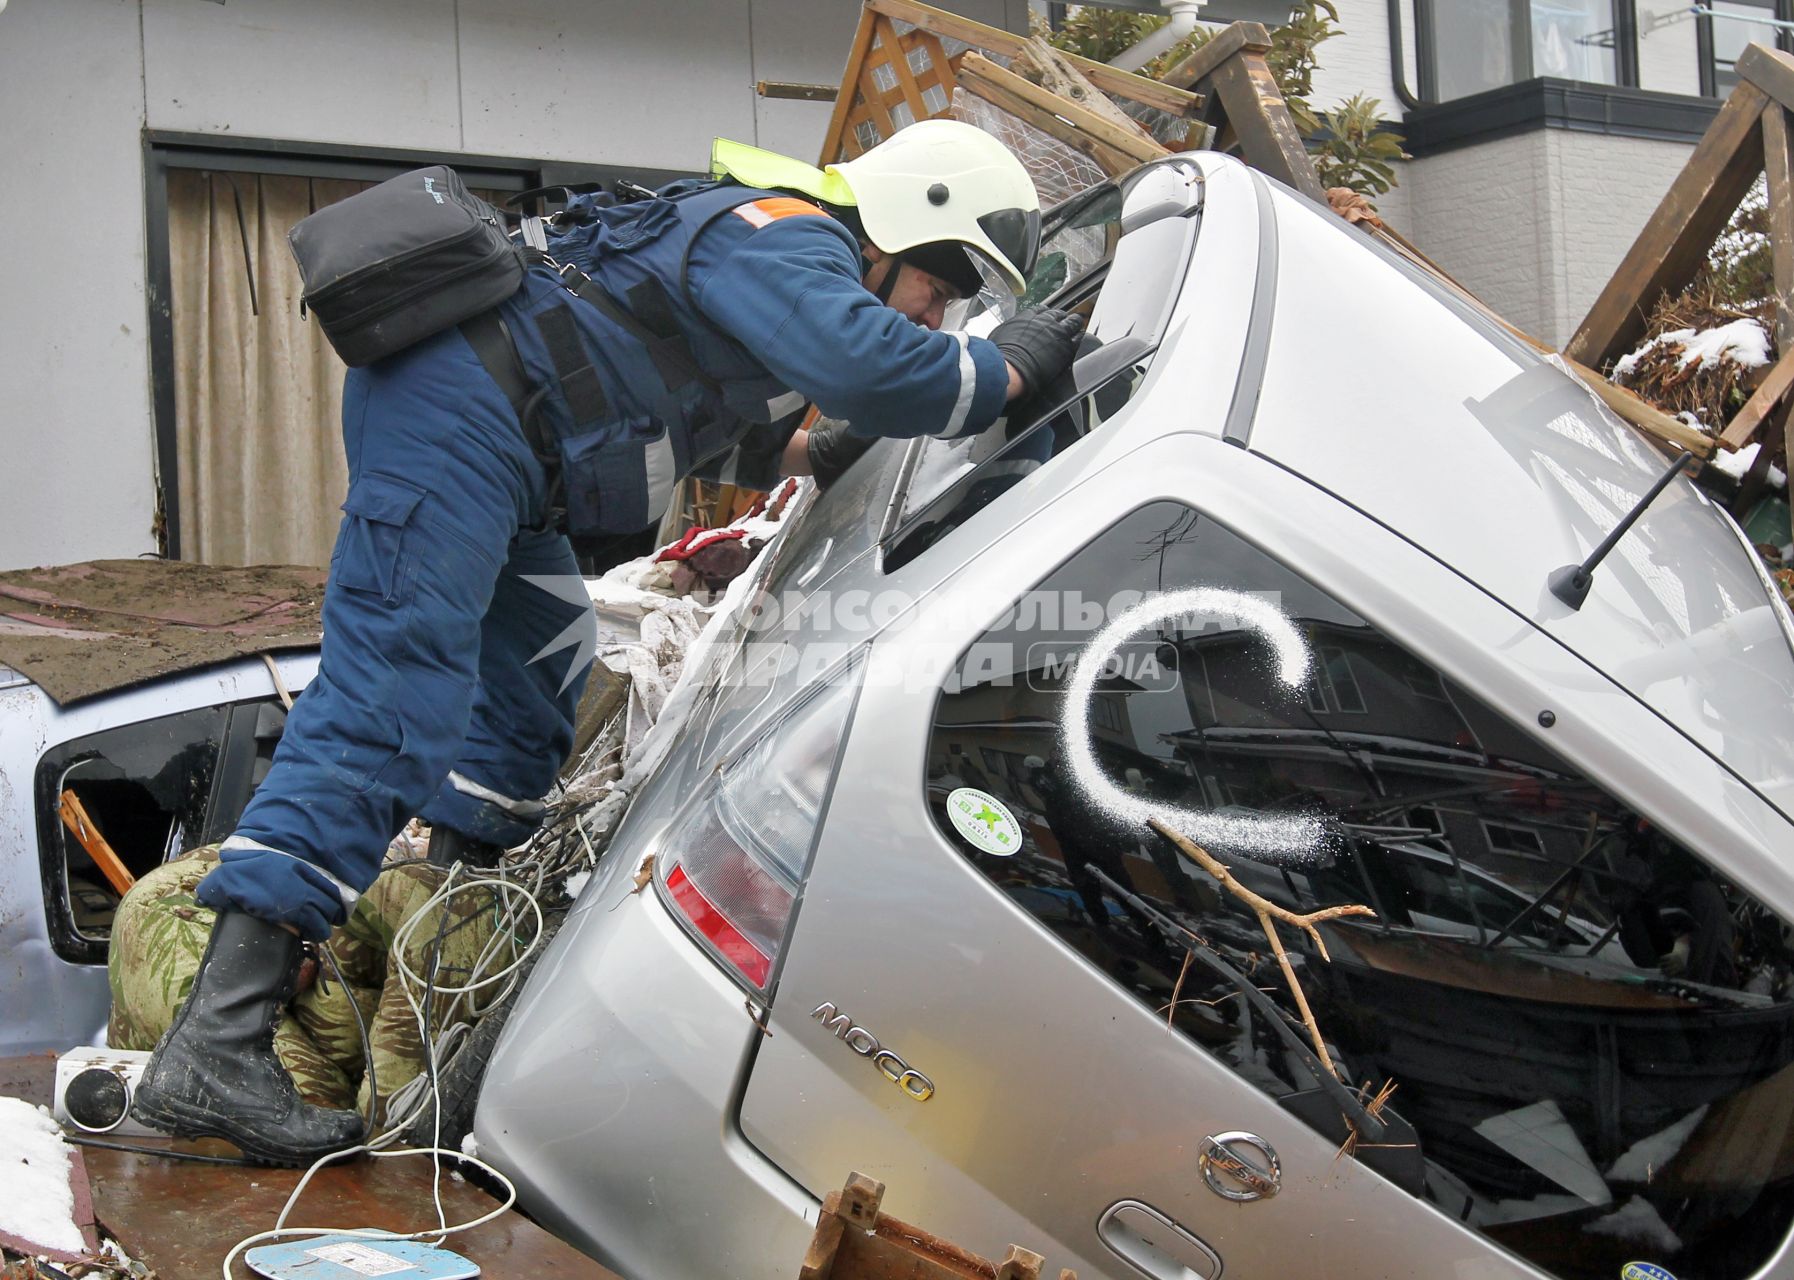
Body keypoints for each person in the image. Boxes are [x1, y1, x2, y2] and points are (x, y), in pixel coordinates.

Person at [129, 119, 1086, 1164]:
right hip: (461, 423)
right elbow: (879, 369)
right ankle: (217, 1037)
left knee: (538, 681)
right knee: (392, 701)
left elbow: (757, 416)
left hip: (508, 456)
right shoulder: (785, 233)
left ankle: (450, 927)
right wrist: (1005, 369)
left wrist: (833, 445)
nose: (938, 314)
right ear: (913, 227)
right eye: (941, 292)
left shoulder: (776, 265)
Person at [110, 843, 502, 1142]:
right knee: (299, 1116)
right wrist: (382, 1135)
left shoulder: (440, 920)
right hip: (188, 910)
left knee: (315, 1116)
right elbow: (380, 1118)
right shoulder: (443, 917)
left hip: (243, 905)